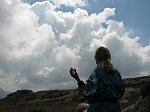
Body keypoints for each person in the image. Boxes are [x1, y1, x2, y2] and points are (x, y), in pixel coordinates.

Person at [69, 46, 125, 112]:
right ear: (108, 57)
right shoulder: (116, 72)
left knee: (80, 108)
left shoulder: (96, 72)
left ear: (96, 58)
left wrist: (77, 79)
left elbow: (88, 92)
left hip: (98, 108)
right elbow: (121, 91)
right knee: (81, 106)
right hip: (115, 108)